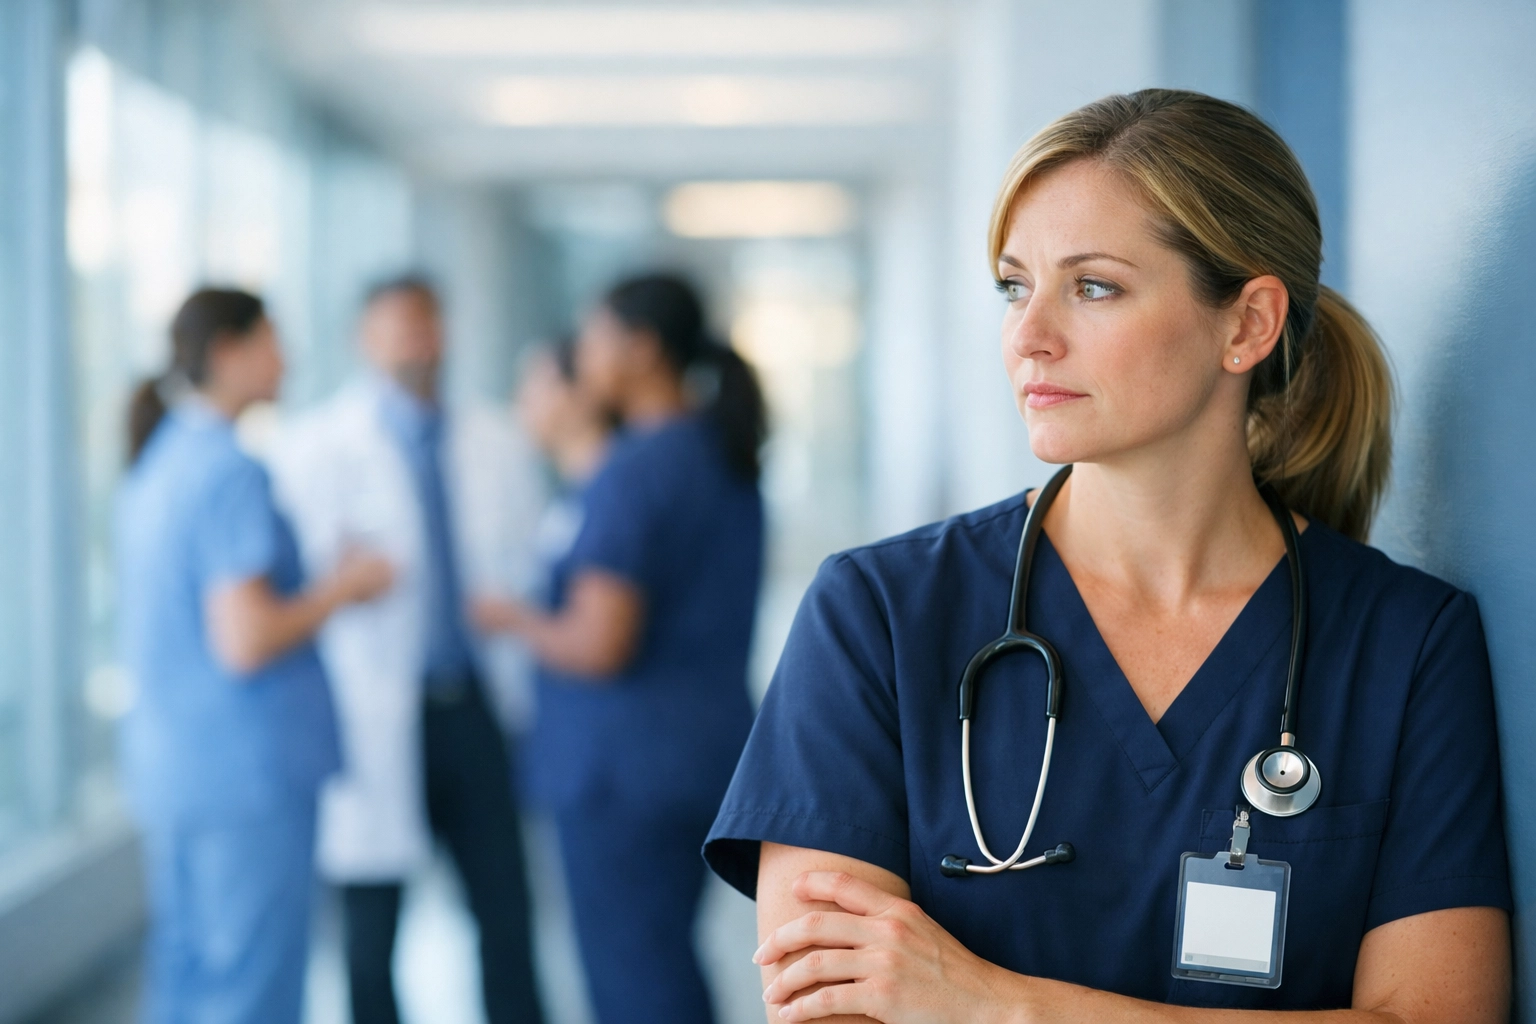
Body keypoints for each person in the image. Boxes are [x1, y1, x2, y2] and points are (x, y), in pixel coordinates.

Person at [704, 89, 1512, 1022]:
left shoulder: (1405, 642)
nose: (1027, 335)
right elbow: (828, 1009)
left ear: (1246, 324)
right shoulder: (881, 613)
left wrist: (987, 1004)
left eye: (1093, 286)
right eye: (1015, 284)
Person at [473, 274, 767, 1024]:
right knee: (661, 958)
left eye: (597, 335)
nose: (585, 353)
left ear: (640, 349)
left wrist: (511, 618)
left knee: (633, 975)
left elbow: (600, 642)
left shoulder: (635, 472)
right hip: (698, 755)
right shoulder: (718, 451)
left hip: (621, 776)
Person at [269, 276, 546, 1024]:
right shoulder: (316, 447)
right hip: (375, 711)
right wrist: (342, 581)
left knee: (506, 912)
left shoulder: (496, 441)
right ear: (364, 340)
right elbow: (291, 583)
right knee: (370, 929)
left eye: (425, 324)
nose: (414, 342)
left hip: (476, 704)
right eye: (395, 328)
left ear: (445, 332)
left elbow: (529, 556)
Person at [117, 288, 393, 1024]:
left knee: (187, 972)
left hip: (178, 769)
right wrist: (344, 587)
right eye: (272, 341)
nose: (288, 359)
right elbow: (244, 638)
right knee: (253, 988)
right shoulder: (229, 470)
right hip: (245, 777)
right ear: (227, 354)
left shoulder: (160, 460)